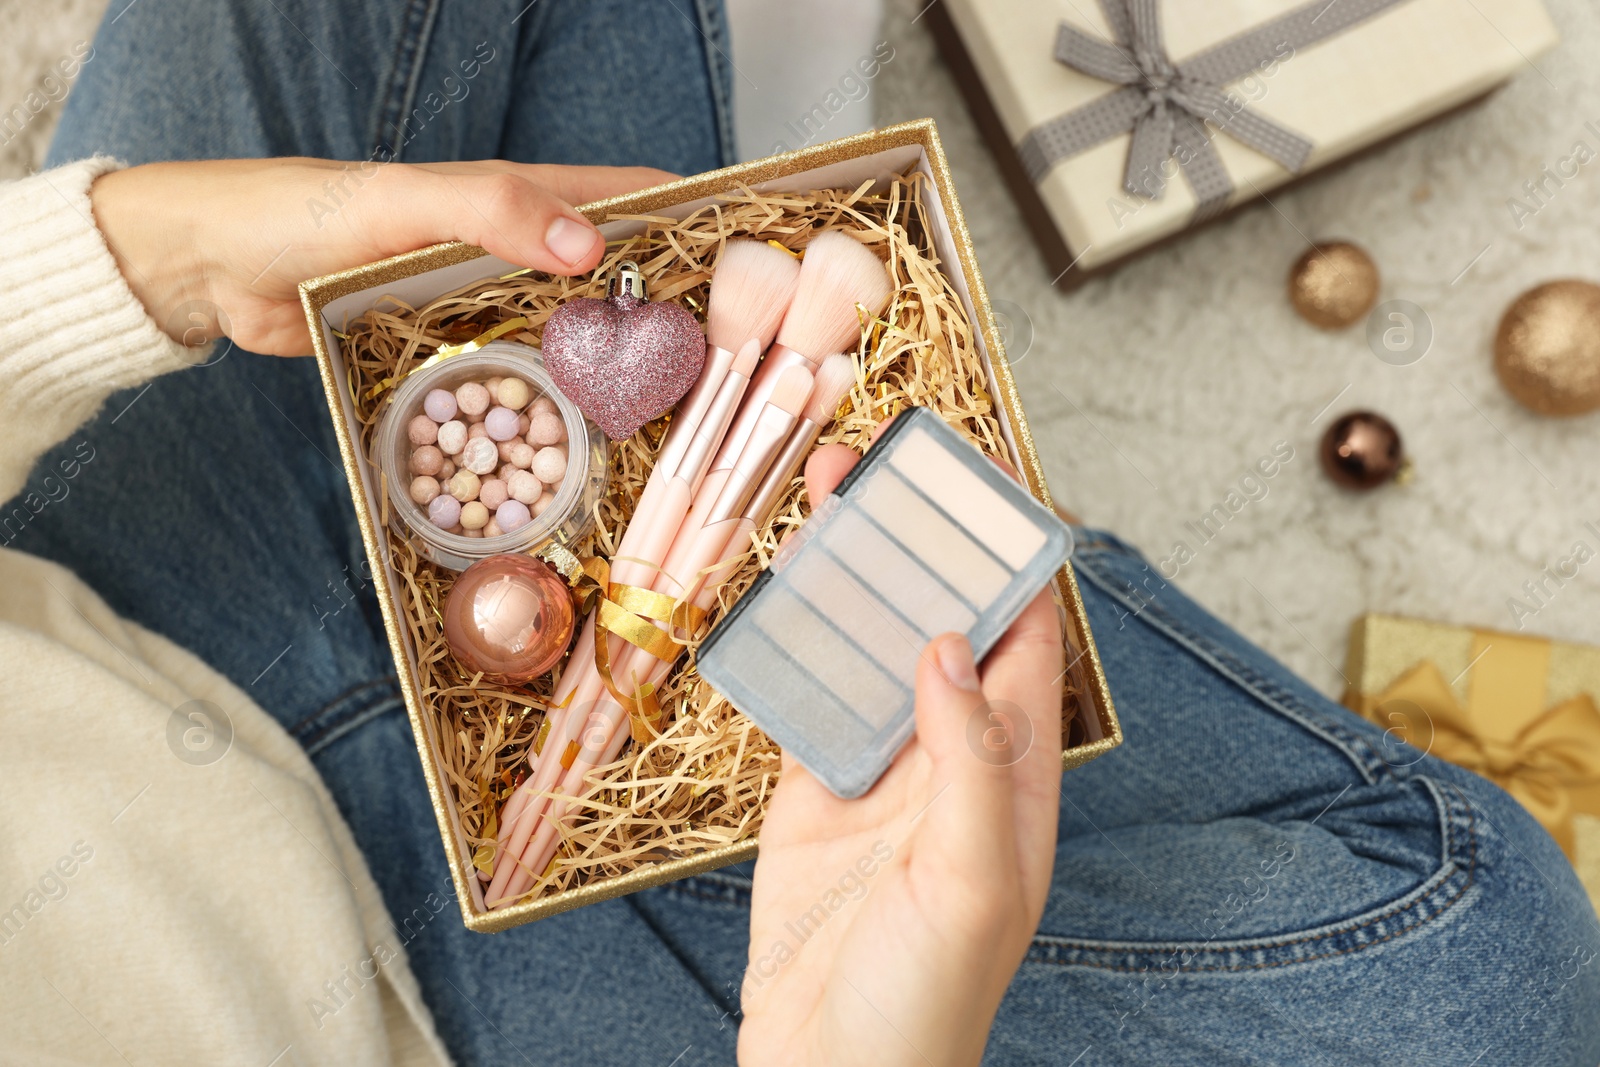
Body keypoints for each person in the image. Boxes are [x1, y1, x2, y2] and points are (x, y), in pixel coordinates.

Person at [0, 1, 1595, 1064]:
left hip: (94, 540)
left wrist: (135, 263)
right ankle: (938, 486)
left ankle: (892, 429)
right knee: (1488, 975)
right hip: (459, 1007)